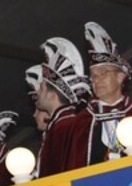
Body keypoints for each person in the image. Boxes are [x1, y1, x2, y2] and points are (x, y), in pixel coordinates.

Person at [70, 22, 132, 167]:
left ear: (120, 77)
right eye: (93, 76)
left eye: (103, 73)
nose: (97, 80)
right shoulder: (81, 123)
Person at [34, 37, 90, 177]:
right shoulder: (58, 126)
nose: (38, 92)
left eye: (42, 88)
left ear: (52, 96)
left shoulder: (64, 127)